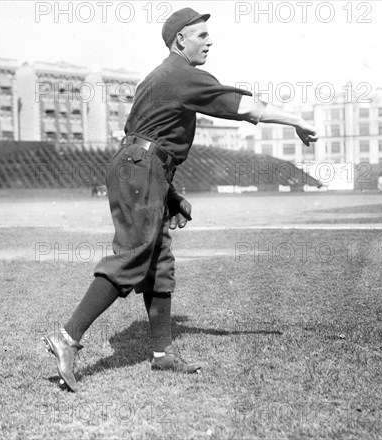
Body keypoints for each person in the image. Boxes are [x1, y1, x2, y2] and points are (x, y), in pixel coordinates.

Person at [42, 7, 319, 392]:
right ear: (180, 41)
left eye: (209, 34)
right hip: (142, 166)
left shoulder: (158, 77)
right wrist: (296, 120)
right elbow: (245, 107)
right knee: (133, 255)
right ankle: (67, 337)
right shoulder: (181, 75)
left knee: (158, 260)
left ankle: (161, 354)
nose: (210, 41)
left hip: (140, 163)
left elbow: (140, 134)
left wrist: (166, 192)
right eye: (201, 35)